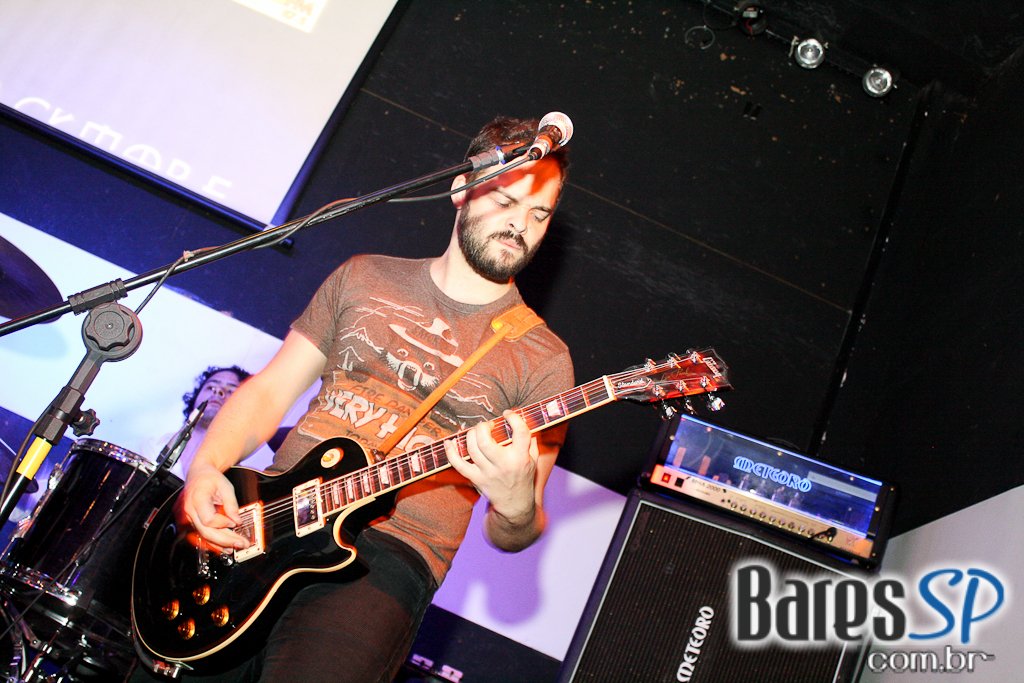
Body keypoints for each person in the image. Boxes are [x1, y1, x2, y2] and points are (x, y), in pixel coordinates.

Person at [142, 116, 574, 683]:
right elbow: (271, 389)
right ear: (461, 189)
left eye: (539, 214)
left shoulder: (542, 358)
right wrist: (205, 467)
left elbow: (512, 532)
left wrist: (516, 505)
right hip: (266, 521)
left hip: (389, 558)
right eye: (506, 201)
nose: (520, 225)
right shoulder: (365, 277)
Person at [164, 365, 251, 478]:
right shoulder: (149, 447)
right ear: (196, 397)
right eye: (211, 387)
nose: (219, 391)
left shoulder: (239, 480)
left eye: (230, 391)